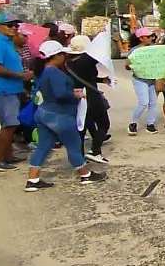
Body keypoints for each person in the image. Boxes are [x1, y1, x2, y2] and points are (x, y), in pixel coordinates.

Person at [25, 40, 107, 191]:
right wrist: (74, 94)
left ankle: (33, 179)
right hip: (60, 115)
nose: (65, 56)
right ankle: (85, 174)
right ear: (56, 56)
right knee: (73, 146)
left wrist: (71, 92)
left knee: (43, 146)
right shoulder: (54, 72)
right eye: (62, 54)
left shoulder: (43, 71)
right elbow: (60, 94)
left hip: (44, 113)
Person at [0, 13, 33, 171]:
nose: (13, 28)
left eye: (15, 25)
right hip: (2, 90)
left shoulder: (6, 42)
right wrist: (22, 76)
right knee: (9, 125)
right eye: (9, 25)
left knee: (10, 124)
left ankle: (8, 156)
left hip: (11, 89)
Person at [65, 35, 111, 164]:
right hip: (90, 95)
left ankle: (79, 157)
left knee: (82, 127)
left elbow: (86, 77)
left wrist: (102, 80)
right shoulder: (86, 59)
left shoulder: (68, 62)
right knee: (103, 124)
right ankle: (95, 151)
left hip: (77, 96)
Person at [125, 28, 160, 135]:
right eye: (148, 37)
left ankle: (150, 124)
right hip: (140, 79)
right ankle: (133, 123)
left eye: (151, 36)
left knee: (153, 102)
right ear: (141, 38)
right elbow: (127, 65)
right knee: (144, 101)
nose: (150, 38)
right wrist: (133, 66)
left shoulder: (153, 49)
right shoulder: (135, 50)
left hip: (152, 79)